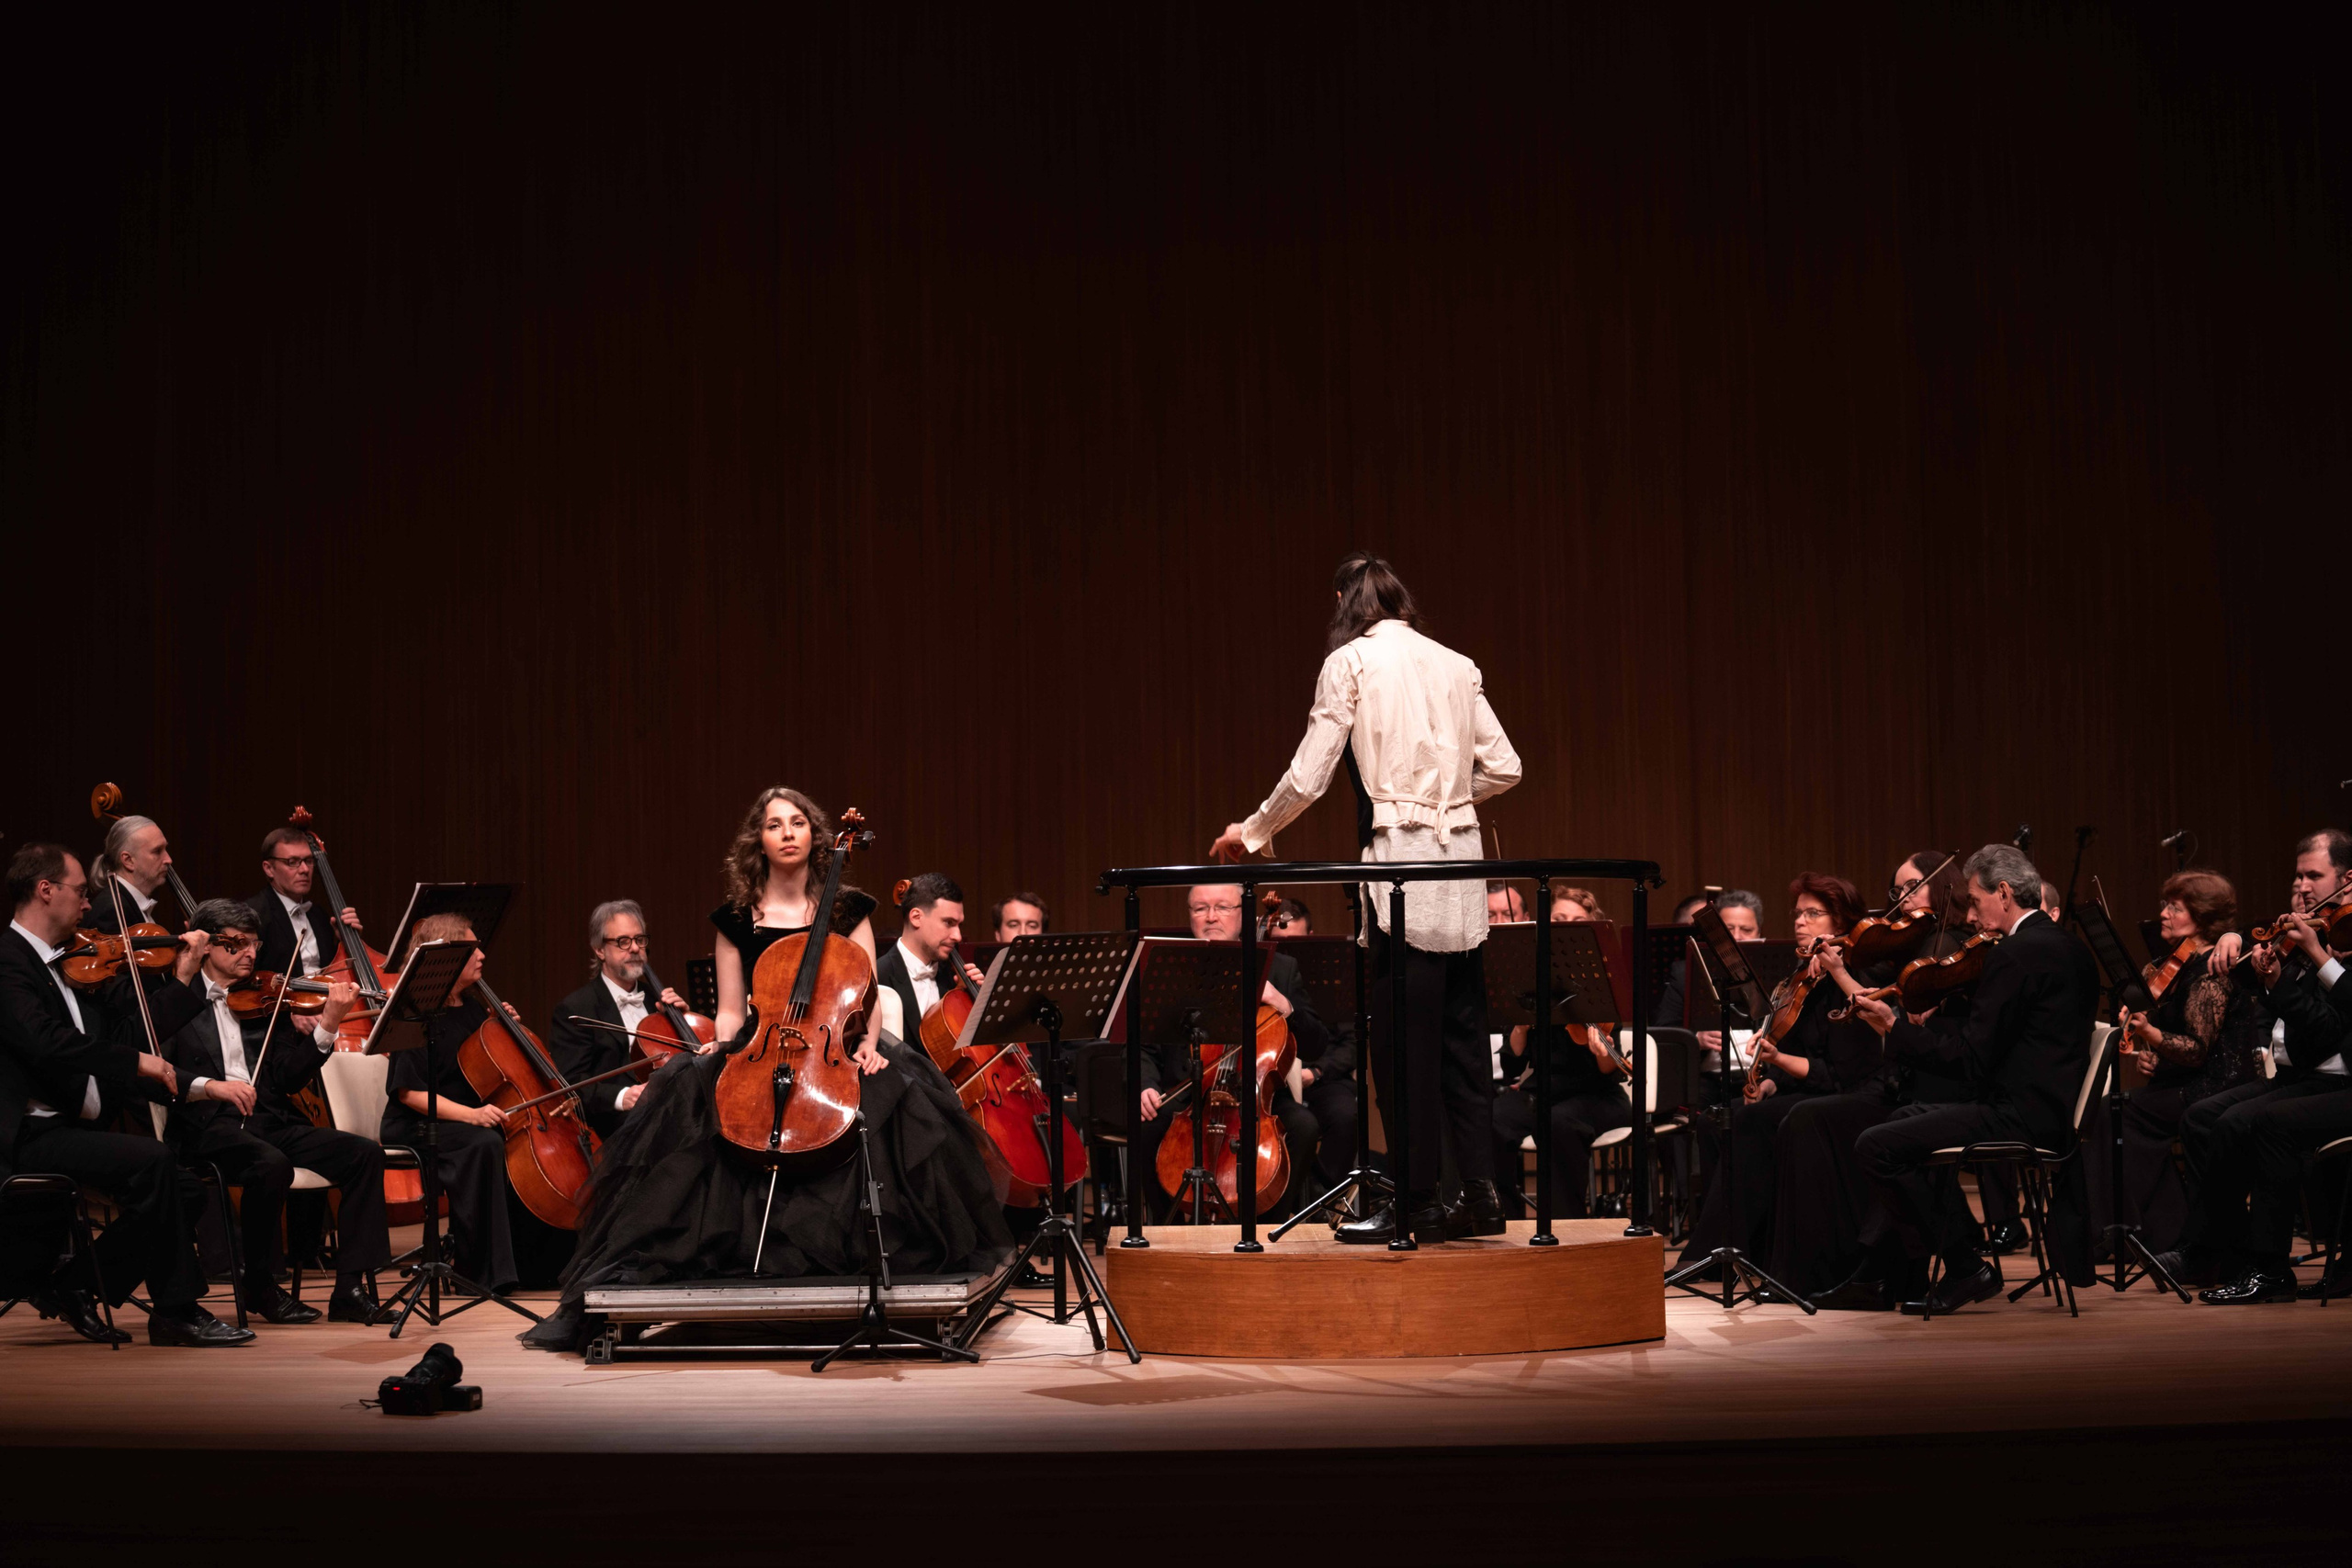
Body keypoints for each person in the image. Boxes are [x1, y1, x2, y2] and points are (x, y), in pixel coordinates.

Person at [522, 788, 1011, 1352]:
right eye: (774, 823)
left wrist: (868, 1047)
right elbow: (732, 1009)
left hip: (835, 1047)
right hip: (760, 1046)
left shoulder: (849, 908)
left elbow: (865, 994)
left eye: (798, 822)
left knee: (895, 1093)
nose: (787, 832)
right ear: (759, 838)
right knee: (692, 1093)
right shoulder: (734, 919)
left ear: (814, 835)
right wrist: (721, 1049)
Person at [1211, 552, 1521, 1245]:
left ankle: (1416, 1202)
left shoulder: (1351, 661)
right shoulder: (1457, 663)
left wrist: (1252, 830)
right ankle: (1480, 1193)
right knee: (1464, 1042)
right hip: (1462, 874)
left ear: (1345, 598)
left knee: (1400, 1047)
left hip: (1401, 871)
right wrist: (1450, 800)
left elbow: (1311, 772)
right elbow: (1505, 765)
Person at [0, 843, 251, 1347]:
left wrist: (182, 978)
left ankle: (76, 1286)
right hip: (28, 1133)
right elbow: (45, 1041)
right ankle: (175, 1313)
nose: (89, 905)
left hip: (73, 1127)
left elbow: (136, 1035)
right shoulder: (8, 960)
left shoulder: (75, 961)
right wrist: (135, 1063)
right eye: (79, 892)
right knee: (154, 1161)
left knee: (182, 1189)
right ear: (45, 891)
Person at [1843, 844, 2098, 1315]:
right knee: (1907, 1120)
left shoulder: (2016, 955)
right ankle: (1943, 1264)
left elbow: (1970, 1059)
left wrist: (1893, 1028)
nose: (1973, 915)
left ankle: (1965, 1266)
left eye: (1976, 901)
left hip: (2018, 1116)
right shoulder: (2070, 948)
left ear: (2004, 893)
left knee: (1876, 1146)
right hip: (2049, 1109)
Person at [158, 898, 389, 1324]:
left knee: (364, 1154)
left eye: (254, 944)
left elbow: (284, 1079)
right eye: (237, 944)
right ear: (207, 946)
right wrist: (212, 1088)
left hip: (268, 1120)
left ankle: (349, 1289)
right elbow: (160, 1074)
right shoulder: (173, 999)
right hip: (206, 1124)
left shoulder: (265, 999)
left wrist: (329, 1025)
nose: (249, 954)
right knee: (270, 1164)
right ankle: (260, 1284)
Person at [2167, 829, 2352, 1303]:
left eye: (2315, 875)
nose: (2304, 886)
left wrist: (2314, 957)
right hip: (2312, 1077)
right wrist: (2232, 936)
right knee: (2205, 1117)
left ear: (2347, 880)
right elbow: (2251, 967)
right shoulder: (2321, 930)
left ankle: (2266, 1268)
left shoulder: (2333, 938)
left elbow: (2333, 1025)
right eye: (2298, 875)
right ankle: (2219, 1251)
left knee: (2263, 1122)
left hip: (2340, 1082)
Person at [1675, 874, 1880, 1276]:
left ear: (1839, 923)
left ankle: (1721, 1253)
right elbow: (1801, 1058)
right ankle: (1742, 1245)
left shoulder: (1853, 979)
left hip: (1851, 1096)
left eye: (1812, 914)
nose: (1800, 922)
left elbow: (1839, 1073)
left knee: (1750, 1121)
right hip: (1811, 1089)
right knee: (1718, 1120)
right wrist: (1770, 1080)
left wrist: (1777, 1061)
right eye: (1797, 913)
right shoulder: (1805, 976)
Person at [379, 912, 521, 1297]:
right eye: (472, 949)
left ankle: (524, 1263)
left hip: (460, 1120)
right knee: (484, 1144)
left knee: (512, 1142)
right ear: (446, 957)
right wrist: (473, 1116)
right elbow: (408, 1094)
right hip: (416, 1121)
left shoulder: (474, 1008)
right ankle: (476, 1271)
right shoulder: (414, 1011)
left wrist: (503, 1031)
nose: (482, 955)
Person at [1491, 890, 1632, 1219]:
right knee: (1492, 1120)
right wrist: (1521, 1029)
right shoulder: (1529, 979)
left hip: (1596, 1095)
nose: (1566, 927)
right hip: (1542, 1090)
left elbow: (1610, 1071)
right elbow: (1512, 1065)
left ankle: (1566, 1227)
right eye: (1558, 920)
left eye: (1577, 922)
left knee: (1557, 1123)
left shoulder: (1602, 982)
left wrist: (1602, 1052)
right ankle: (1507, 1223)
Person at [547, 900, 692, 1141]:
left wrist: (684, 1023)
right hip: (614, 1123)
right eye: (623, 941)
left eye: (640, 940)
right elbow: (570, 1084)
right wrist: (622, 1096)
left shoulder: (659, 1000)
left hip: (669, 1109)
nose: (634, 948)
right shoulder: (575, 1008)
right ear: (599, 949)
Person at [247, 826, 363, 980]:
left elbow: (337, 974)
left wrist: (346, 942)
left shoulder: (319, 916)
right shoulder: (254, 915)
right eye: (292, 862)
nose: (304, 869)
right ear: (269, 869)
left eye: (308, 861)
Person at [86, 814, 189, 931]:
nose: (168, 859)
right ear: (128, 860)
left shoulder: (128, 904)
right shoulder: (111, 912)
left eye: (165, 849)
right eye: (157, 851)